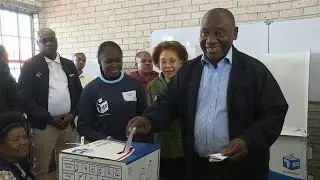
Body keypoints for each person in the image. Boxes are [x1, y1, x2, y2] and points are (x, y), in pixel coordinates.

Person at [127, 8, 288, 180]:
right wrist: (149, 119)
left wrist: (248, 141)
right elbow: (168, 101)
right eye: (204, 33)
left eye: (219, 33)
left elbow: (275, 112)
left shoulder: (254, 70)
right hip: (197, 168)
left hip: (242, 169)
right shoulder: (189, 71)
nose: (210, 40)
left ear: (235, 33)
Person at [18, 28, 82, 180]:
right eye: (43, 41)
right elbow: (26, 99)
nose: (48, 43)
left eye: (51, 39)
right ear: (38, 43)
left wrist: (72, 114)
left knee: (67, 165)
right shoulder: (30, 66)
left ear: (56, 40)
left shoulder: (68, 65)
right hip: (43, 126)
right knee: (40, 168)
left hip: (68, 125)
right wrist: (49, 118)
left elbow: (79, 94)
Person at [77, 41, 150, 143]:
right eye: (109, 61)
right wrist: (106, 140)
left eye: (118, 60)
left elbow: (144, 118)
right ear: (100, 62)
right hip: (104, 149)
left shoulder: (135, 85)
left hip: (133, 147)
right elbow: (83, 127)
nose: (114, 65)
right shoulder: (90, 90)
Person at [147, 41, 188, 180]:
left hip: (185, 146)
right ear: (157, 64)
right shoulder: (152, 86)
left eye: (172, 61)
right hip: (162, 146)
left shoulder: (189, 84)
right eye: (163, 62)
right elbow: (151, 112)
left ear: (181, 62)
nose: (168, 66)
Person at [0, 111, 36, 180]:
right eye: (16, 140)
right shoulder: (4, 174)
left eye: (25, 137)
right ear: (1, 147)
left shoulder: (22, 159)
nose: (24, 142)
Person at [0, 45, 25, 113]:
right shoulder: (4, 72)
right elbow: (16, 97)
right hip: (7, 116)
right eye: (6, 57)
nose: (8, 60)